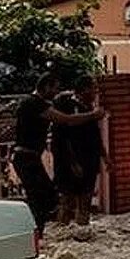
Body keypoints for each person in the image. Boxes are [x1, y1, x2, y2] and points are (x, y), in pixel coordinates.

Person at [12, 73, 106, 235]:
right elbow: (66, 120)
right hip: (27, 158)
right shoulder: (34, 104)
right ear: (46, 86)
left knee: (44, 197)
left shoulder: (34, 102)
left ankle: (38, 234)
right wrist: (93, 115)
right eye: (55, 88)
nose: (57, 92)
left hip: (30, 158)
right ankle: (34, 233)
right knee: (45, 198)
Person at [51, 75, 111, 226]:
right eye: (93, 88)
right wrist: (72, 163)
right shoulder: (67, 106)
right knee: (68, 201)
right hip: (70, 162)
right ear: (84, 89)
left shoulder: (89, 108)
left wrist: (105, 157)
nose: (96, 92)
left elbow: (95, 136)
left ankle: (83, 229)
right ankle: (63, 231)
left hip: (89, 160)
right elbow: (63, 138)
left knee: (86, 199)